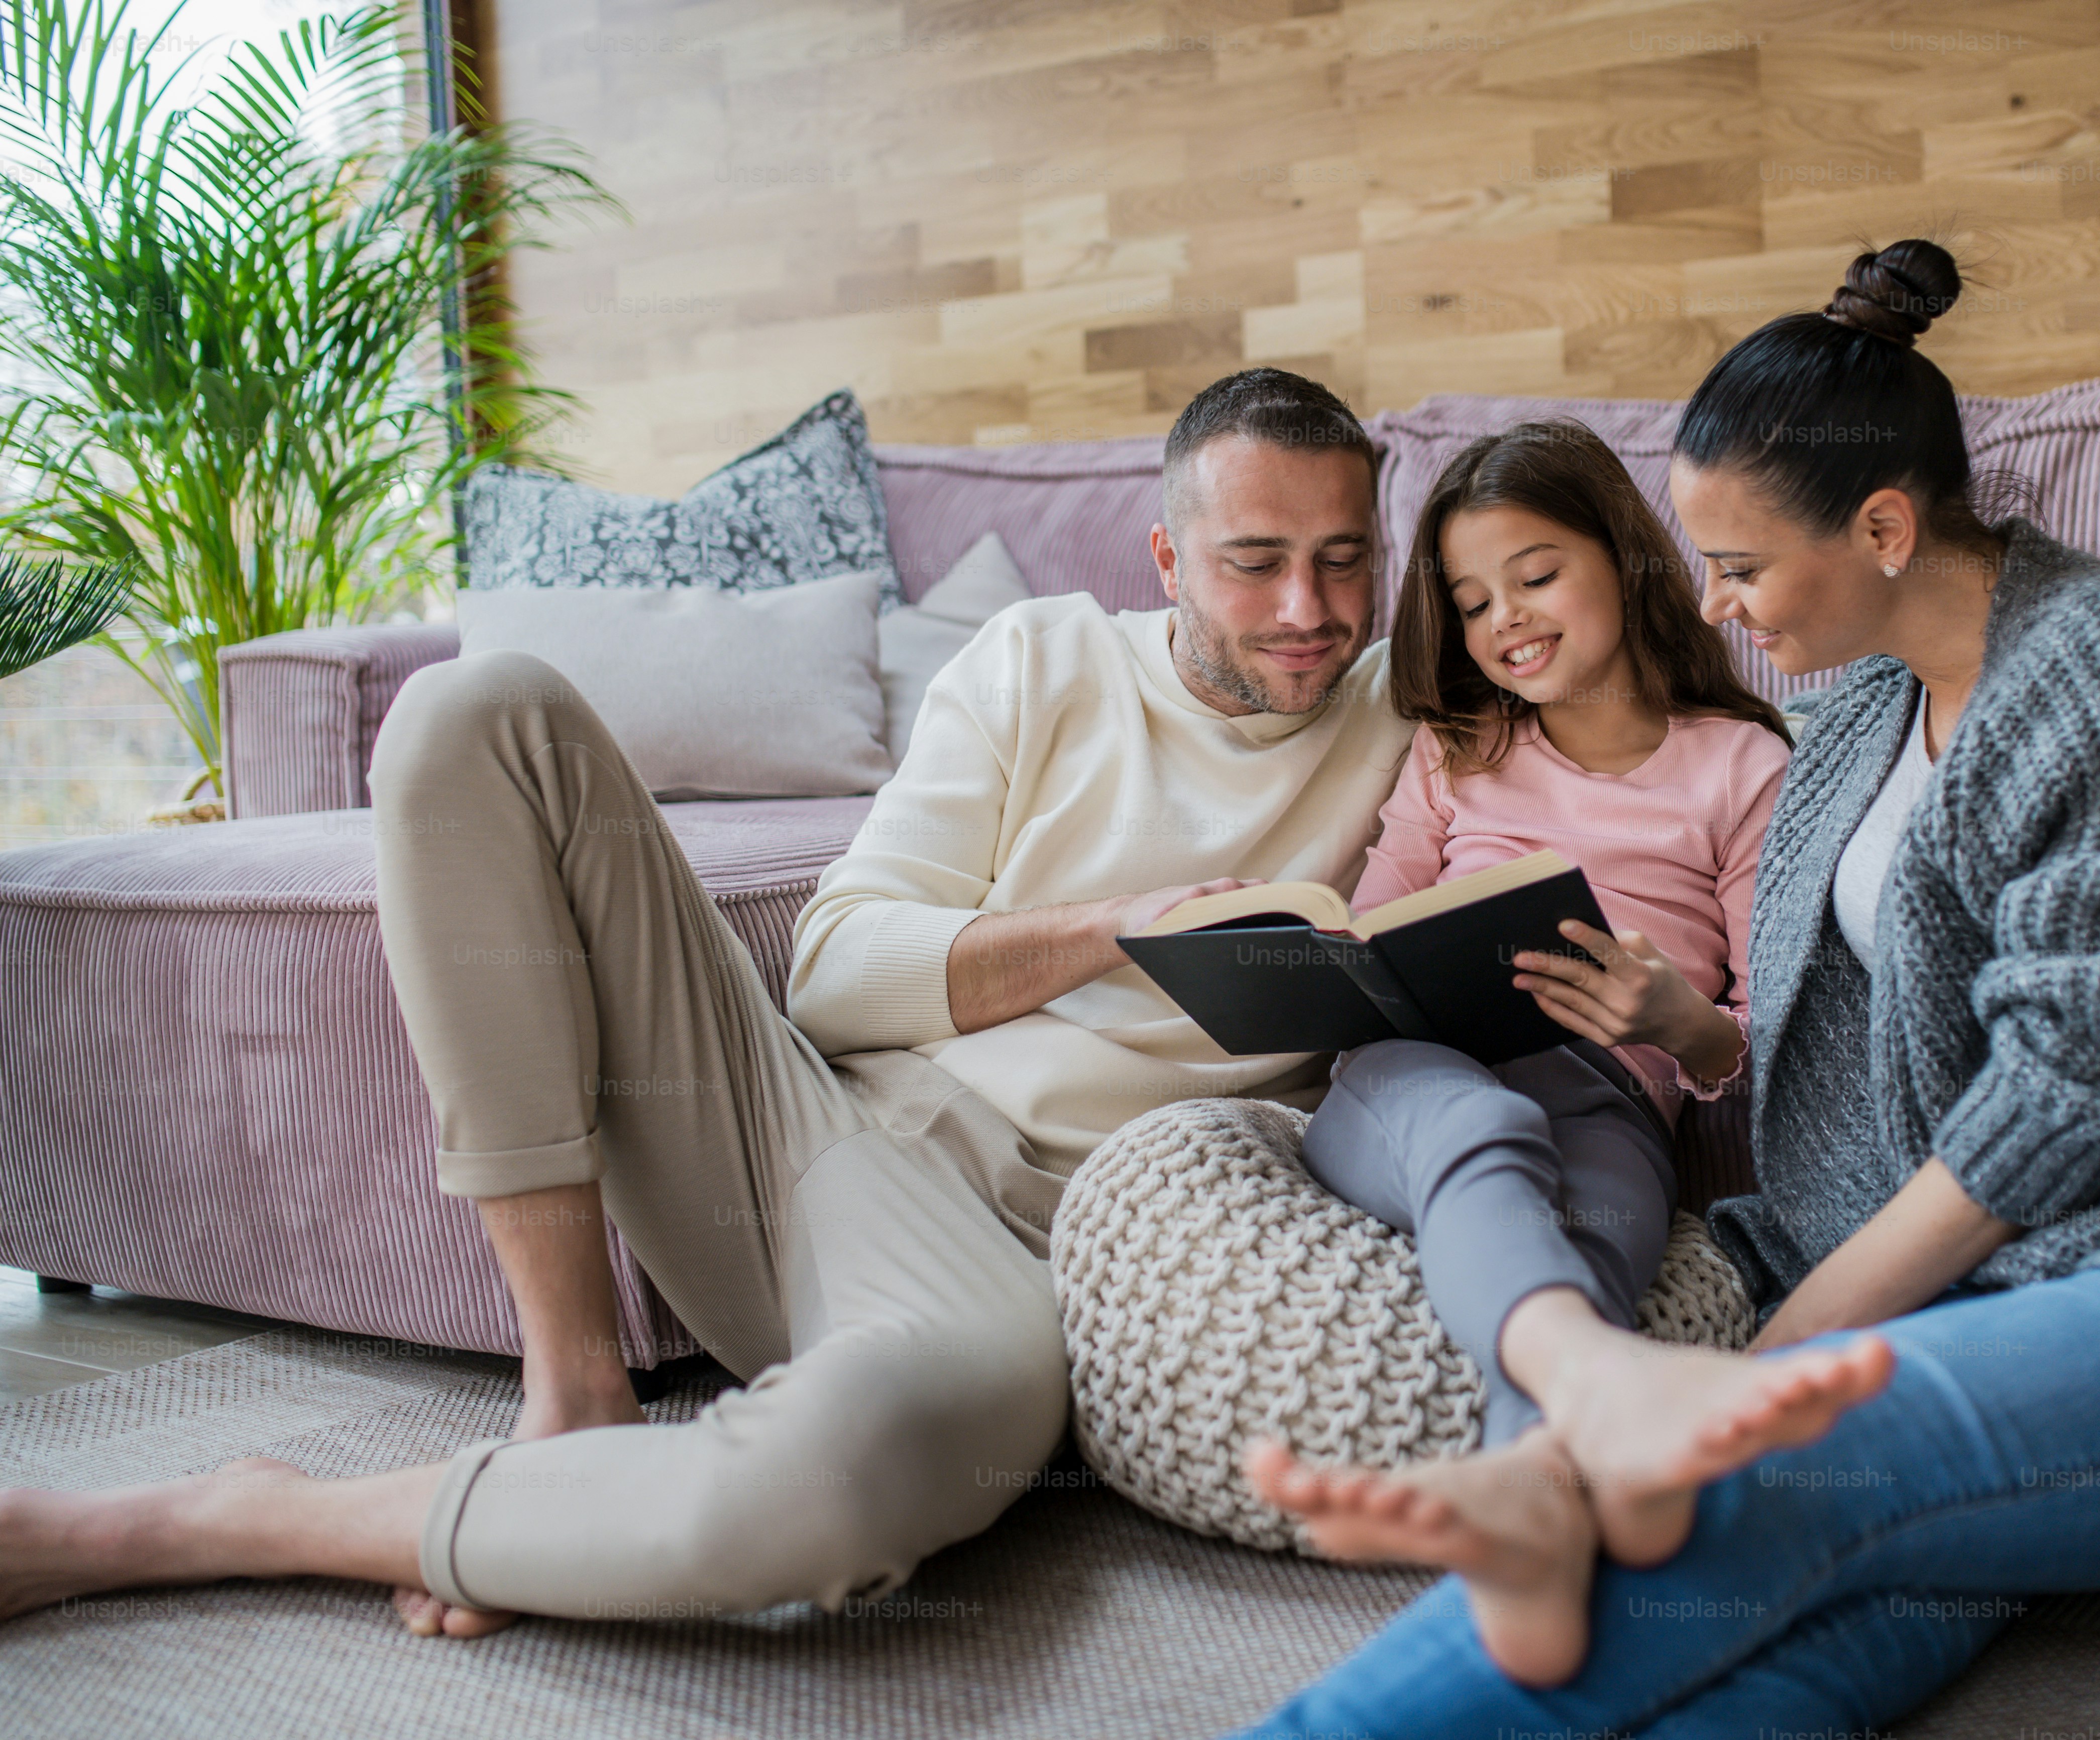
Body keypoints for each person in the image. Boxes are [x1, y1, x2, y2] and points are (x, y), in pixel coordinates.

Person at [1237, 241, 2100, 1736]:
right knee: (1786, 1660)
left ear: (1885, 524)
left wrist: (1778, 1348)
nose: (1710, 607)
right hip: (1967, 1305)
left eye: (1746, 566)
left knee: (1729, 1496)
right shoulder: (1845, 729)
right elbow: (1820, 1062)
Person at [0, 367, 1420, 1635]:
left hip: (1037, 1263)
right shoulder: (1040, 659)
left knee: (829, 1488)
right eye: (1254, 563)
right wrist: (1114, 930)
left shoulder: (1413, 715)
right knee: (468, 713)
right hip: (821, 1138)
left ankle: (246, 1519)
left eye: (1343, 561)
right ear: (1168, 558)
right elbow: (837, 975)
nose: (1307, 612)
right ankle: (574, 1388)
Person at [1277, 416, 1867, 1685]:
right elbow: (1362, 930)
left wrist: (1675, 1024)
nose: (1506, 621)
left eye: (1535, 575)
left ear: (1626, 558)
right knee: (1484, 1131)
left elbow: (1772, 1032)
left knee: (1597, 1236)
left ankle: (1529, 1501)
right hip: (1411, 1077)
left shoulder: (1742, 765)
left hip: (1608, 1093)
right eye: (1473, 598)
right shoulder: (1461, 750)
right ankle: (1594, 1411)